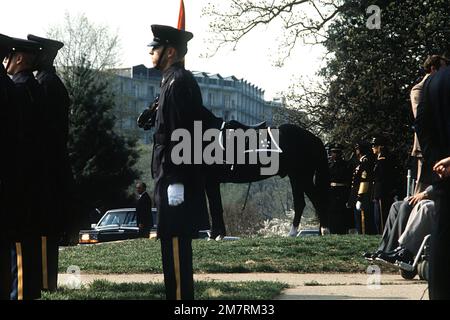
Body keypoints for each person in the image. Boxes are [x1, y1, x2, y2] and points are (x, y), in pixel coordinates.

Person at [148, 24, 210, 300]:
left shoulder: (178, 82)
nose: (151, 51)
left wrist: (175, 180)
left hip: (175, 177)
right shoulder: (171, 81)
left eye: (156, 47)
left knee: (174, 244)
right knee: (170, 244)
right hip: (169, 173)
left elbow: (181, 135)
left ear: (170, 52)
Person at [26, 34, 72, 293]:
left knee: (45, 225)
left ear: (44, 55)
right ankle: (45, 280)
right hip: (51, 163)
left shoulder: (45, 84)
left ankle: (46, 282)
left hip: (47, 164)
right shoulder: (49, 81)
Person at [2, 35, 45, 300]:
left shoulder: (17, 88)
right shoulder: (34, 87)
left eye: (9, 57)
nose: (6, 62)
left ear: (19, 58)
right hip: (28, 174)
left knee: (15, 243)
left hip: (15, 175)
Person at [415, 61, 450, 299]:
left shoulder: (434, 82)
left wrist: (437, 161)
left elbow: (421, 126)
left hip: (443, 177)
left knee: (444, 239)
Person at [410, 55, 448, 194]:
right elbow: (421, 117)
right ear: (433, 68)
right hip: (425, 146)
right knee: (422, 188)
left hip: (440, 144)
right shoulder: (419, 89)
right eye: (443, 67)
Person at [348, 141, 376, 234]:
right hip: (358, 193)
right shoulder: (361, 161)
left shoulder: (365, 161)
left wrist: (360, 197)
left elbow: (364, 181)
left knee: (364, 223)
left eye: (357, 149)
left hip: (364, 195)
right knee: (358, 221)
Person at [371, 136, 396, 234]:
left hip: (383, 192)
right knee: (378, 218)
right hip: (378, 191)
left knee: (382, 217)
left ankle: (383, 235)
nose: (373, 148)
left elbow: (383, 176)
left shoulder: (383, 158)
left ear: (380, 147)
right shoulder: (379, 158)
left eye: (375, 146)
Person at [327, 143, 352, 234]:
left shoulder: (347, 165)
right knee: (332, 214)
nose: (336, 154)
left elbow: (349, 180)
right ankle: (332, 231)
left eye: (338, 152)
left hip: (343, 192)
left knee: (342, 214)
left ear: (341, 153)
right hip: (331, 192)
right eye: (334, 152)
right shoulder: (328, 165)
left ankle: (343, 231)